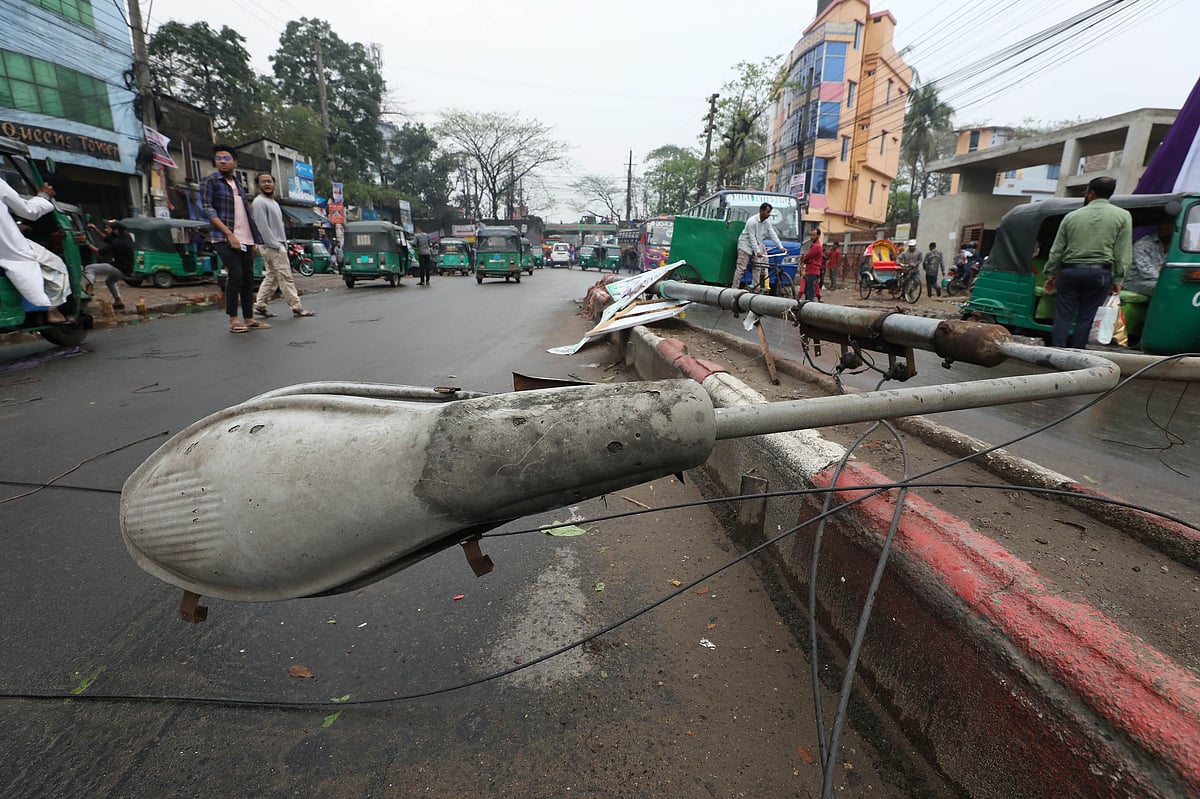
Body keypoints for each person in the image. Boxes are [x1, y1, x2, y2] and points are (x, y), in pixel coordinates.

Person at [1042, 176, 1132, 349]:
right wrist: (1118, 280)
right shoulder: (1123, 216)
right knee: (1087, 317)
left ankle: (1057, 352)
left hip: (1070, 272)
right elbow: (1123, 252)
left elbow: (1057, 250)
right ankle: (1076, 354)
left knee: (1063, 316)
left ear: (1091, 193)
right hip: (1100, 274)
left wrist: (1051, 275)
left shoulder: (1071, 216)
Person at [200, 145, 267, 333]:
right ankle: (233, 319)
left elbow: (246, 213)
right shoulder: (210, 181)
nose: (222, 161)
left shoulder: (238, 184)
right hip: (223, 237)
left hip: (245, 238)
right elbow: (208, 210)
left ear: (235, 162)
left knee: (248, 278)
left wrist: (253, 240)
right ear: (215, 162)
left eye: (227, 158)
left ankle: (249, 318)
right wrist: (229, 234)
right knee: (235, 275)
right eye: (219, 158)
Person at [0, 177, 71, 323]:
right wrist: (44, 196)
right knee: (56, 265)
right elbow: (28, 211)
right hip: (9, 249)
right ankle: (53, 310)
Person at [251, 173, 314, 319]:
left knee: (272, 277)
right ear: (258, 185)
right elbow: (263, 227)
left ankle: (260, 305)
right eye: (263, 182)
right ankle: (297, 307)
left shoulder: (273, 202)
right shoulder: (259, 202)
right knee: (285, 277)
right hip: (272, 245)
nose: (267, 184)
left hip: (275, 244)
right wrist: (276, 245)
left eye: (269, 181)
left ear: (274, 183)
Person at [731, 202, 782, 291]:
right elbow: (752, 237)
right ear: (761, 211)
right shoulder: (752, 221)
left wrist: (780, 246)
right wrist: (757, 251)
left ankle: (756, 287)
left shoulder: (767, 222)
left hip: (756, 246)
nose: (769, 214)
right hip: (745, 246)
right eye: (767, 212)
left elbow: (772, 233)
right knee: (741, 268)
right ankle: (734, 288)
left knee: (758, 267)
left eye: (769, 212)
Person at [84, 219, 133, 310]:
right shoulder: (124, 236)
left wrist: (85, 242)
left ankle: (90, 288)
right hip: (127, 269)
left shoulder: (118, 243)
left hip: (118, 268)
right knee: (109, 281)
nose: (106, 230)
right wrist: (95, 229)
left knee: (89, 268)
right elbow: (105, 238)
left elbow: (99, 252)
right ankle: (118, 301)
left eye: (108, 228)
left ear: (116, 230)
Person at [1124, 214, 1174, 297]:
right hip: (1137, 281)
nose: (1162, 227)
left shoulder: (1177, 245)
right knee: (1165, 288)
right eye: (1160, 224)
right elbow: (1147, 272)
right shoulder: (1143, 244)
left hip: (1160, 281)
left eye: (1168, 224)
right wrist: (1172, 282)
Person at [801, 226, 823, 301]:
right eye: (811, 235)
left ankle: (809, 307)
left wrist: (804, 260)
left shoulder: (816, 246)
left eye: (814, 235)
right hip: (811, 270)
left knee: (809, 291)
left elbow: (808, 256)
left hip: (812, 270)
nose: (812, 237)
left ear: (818, 236)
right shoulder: (815, 245)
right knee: (808, 290)